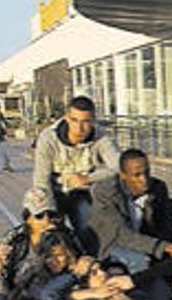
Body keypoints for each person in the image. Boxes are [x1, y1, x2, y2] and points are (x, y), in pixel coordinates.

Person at [32, 96, 121, 249]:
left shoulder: (101, 136)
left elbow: (118, 166)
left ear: (93, 121)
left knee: (87, 226)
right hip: (53, 189)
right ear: (66, 118)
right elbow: (41, 179)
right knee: (47, 232)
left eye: (86, 122)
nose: (79, 128)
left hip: (82, 191)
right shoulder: (48, 138)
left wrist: (88, 178)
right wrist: (46, 211)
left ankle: (93, 261)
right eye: (74, 120)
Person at [90, 148, 172, 272]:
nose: (144, 180)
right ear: (123, 175)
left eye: (147, 173)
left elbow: (164, 225)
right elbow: (121, 235)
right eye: (137, 175)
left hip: (147, 243)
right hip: (113, 246)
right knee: (139, 261)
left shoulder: (158, 187)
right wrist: (163, 247)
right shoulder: (105, 192)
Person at [0, 187, 67, 300]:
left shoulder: (63, 235)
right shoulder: (15, 238)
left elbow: (73, 267)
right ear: (28, 217)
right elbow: (0, 272)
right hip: (17, 293)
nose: (46, 220)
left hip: (48, 291)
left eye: (51, 214)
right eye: (39, 215)